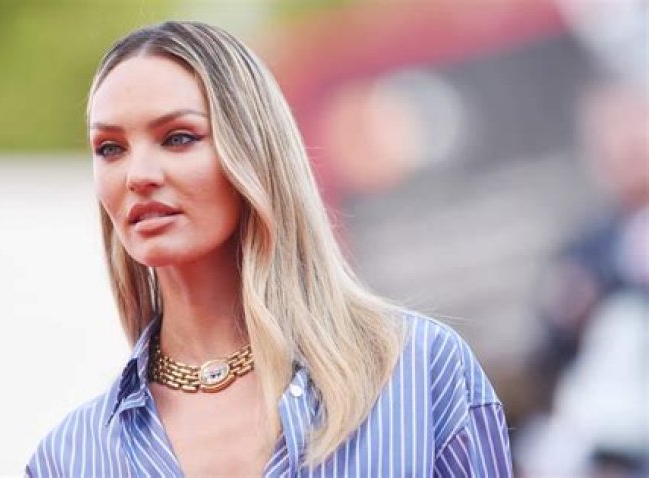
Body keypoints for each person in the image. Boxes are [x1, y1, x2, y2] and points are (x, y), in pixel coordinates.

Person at [26, 20, 512, 477]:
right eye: (110, 148)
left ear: (255, 152)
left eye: (178, 138)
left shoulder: (420, 372)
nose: (138, 175)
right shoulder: (72, 457)